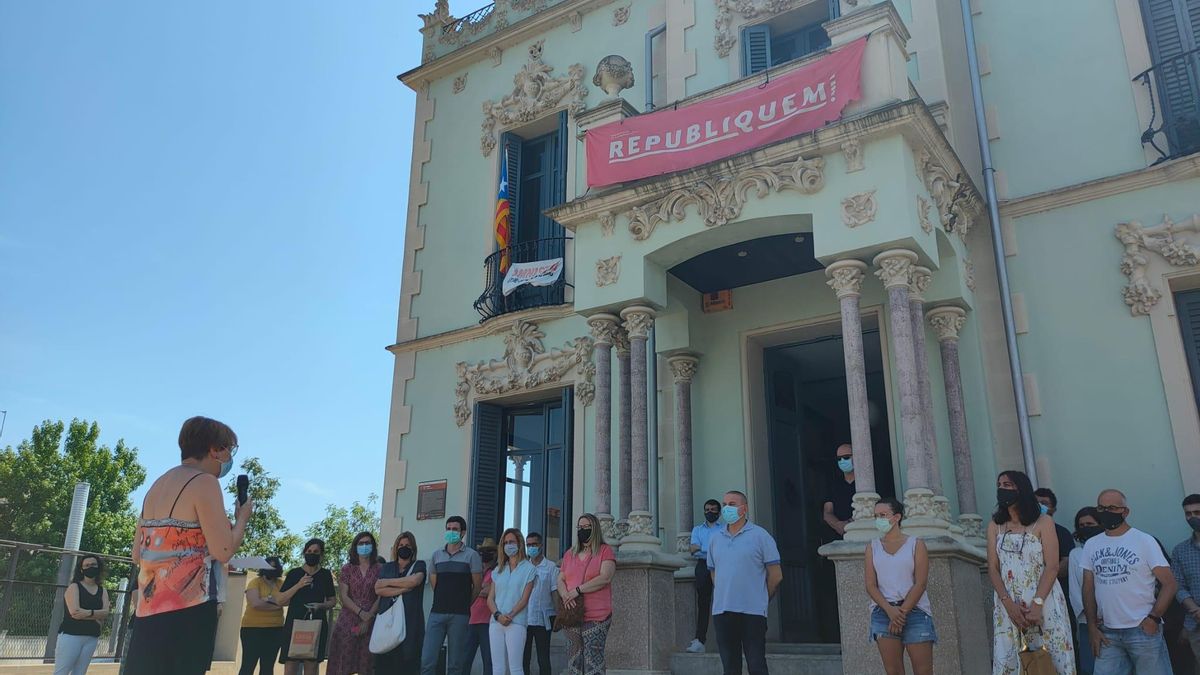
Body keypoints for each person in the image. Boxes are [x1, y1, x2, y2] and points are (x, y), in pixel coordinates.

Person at [125, 416, 253, 675]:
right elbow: (223, 551)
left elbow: (137, 554)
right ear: (214, 449)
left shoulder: (157, 484)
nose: (229, 457)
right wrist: (242, 520)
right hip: (187, 610)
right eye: (229, 449)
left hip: (149, 611)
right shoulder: (205, 482)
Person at [987, 470, 1075, 674]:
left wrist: (1037, 604)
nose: (1002, 489)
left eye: (1007, 485)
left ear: (1021, 489)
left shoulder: (1043, 522)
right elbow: (992, 567)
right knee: (1010, 659)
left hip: (1044, 601)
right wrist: (1008, 604)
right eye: (999, 485)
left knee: (1052, 659)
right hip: (1008, 603)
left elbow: (1052, 565)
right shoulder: (995, 526)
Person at [1083, 489, 1176, 674]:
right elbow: (1088, 587)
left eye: (1111, 507)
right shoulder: (1092, 544)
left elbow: (1170, 584)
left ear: (1125, 512)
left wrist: (1154, 618)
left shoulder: (1144, 541)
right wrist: (1092, 626)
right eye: (1101, 507)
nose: (1105, 512)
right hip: (1107, 632)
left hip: (1142, 629)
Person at [707, 490, 782, 675]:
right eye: (724, 504)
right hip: (723, 611)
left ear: (744, 509)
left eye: (732, 504)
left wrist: (763, 597)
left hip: (752, 612)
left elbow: (776, 575)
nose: (726, 508)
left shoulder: (760, 536)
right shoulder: (715, 539)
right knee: (730, 667)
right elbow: (713, 572)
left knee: (756, 664)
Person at [864, 498, 934, 675]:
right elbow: (871, 585)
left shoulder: (916, 544)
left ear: (896, 517)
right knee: (893, 670)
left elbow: (920, 582)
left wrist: (901, 613)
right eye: (876, 516)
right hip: (883, 613)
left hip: (915, 612)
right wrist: (890, 611)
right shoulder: (872, 547)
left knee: (923, 670)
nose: (878, 519)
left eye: (883, 515)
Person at [421, 516, 483, 675]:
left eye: (454, 529)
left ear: (462, 532)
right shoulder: (436, 556)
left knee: (456, 664)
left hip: (460, 615)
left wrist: (464, 603)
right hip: (437, 613)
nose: (451, 532)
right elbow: (435, 584)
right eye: (448, 528)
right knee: (427, 660)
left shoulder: (472, 555)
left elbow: (477, 586)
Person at [557, 513, 617, 675]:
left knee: (593, 658)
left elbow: (605, 577)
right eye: (580, 527)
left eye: (586, 527)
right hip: (572, 613)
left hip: (597, 615)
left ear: (594, 529)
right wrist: (565, 595)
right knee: (573, 658)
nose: (582, 530)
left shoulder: (605, 551)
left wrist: (577, 591)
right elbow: (560, 578)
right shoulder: (570, 554)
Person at [280, 539, 337, 674]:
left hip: (316, 623)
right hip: (294, 623)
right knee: (290, 665)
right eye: (309, 551)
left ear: (321, 555)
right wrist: (298, 585)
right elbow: (280, 599)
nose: (312, 554)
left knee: (311, 665)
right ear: (304, 553)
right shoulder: (294, 573)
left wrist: (320, 606)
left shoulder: (325, 575)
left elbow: (333, 601)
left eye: (316, 552)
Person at [328, 532, 382, 675]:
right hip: (349, 620)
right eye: (361, 543)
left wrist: (368, 617)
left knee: (366, 663)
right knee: (344, 663)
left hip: (371, 621)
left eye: (367, 543)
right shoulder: (347, 568)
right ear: (355, 546)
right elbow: (343, 596)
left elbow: (381, 596)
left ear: (373, 546)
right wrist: (360, 613)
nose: (364, 546)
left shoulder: (380, 569)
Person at [374, 532, 426, 675]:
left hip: (410, 625)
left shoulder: (419, 565)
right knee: (384, 666)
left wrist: (387, 583)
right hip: (387, 624)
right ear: (396, 548)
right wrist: (404, 588)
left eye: (408, 545)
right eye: (401, 545)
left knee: (407, 666)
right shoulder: (387, 568)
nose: (404, 548)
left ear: (413, 548)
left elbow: (415, 581)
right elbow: (378, 589)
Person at [488, 528, 537, 675]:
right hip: (495, 622)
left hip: (516, 622)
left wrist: (509, 615)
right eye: (505, 543)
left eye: (512, 542)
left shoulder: (529, 569)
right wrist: (498, 615)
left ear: (519, 544)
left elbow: (524, 599)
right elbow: (490, 598)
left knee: (516, 668)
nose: (509, 545)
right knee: (497, 668)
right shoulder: (498, 570)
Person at [239, 556, 299, 675]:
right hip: (252, 629)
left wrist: (267, 600)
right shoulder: (255, 582)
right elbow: (255, 603)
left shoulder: (281, 584)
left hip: (275, 630)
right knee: (248, 665)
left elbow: (287, 601)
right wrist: (277, 604)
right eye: (268, 566)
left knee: (267, 667)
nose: (270, 569)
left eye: (273, 566)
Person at [55, 554, 110, 675]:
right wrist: (96, 615)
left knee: (80, 672)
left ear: (99, 567)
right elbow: (75, 613)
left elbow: (106, 613)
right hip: (71, 635)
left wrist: (87, 612)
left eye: (93, 565)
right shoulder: (74, 587)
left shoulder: (102, 590)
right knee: (62, 671)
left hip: (92, 637)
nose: (90, 567)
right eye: (87, 565)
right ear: (81, 569)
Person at [686, 499, 723, 653]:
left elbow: (724, 549)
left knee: (724, 602)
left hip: (722, 565)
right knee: (703, 603)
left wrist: (703, 547)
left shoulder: (725, 529)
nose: (709, 512)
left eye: (713, 509)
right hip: (703, 566)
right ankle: (700, 640)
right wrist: (713, 548)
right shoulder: (697, 530)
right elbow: (693, 549)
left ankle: (729, 639)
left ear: (719, 513)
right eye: (707, 509)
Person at [1070, 508, 1103, 675]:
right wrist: (1090, 616)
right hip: (1087, 622)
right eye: (1081, 525)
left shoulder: (1109, 550)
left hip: (1114, 620)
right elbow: (1075, 590)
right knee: (1089, 667)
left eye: (1090, 524)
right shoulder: (1076, 554)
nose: (1085, 527)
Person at [521, 532, 557, 675]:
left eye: (534, 544)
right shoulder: (523, 567)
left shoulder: (550, 567)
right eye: (528, 545)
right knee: (524, 658)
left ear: (541, 545)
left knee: (543, 658)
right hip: (524, 619)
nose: (531, 548)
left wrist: (559, 614)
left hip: (543, 619)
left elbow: (554, 591)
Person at [1174, 494, 1200, 669]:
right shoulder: (1180, 551)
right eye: (1188, 514)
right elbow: (1177, 585)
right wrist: (1195, 610)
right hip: (1196, 622)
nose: (1193, 517)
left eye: (1197, 512)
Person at [465, 538, 498, 675]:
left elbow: (493, 592)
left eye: (489, 551)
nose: (485, 554)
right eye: (483, 551)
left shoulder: (497, 572)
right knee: (465, 660)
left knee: (488, 661)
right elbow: (468, 590)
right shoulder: (474, 572)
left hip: (488, 622)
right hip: (471, 621)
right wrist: (482, 588)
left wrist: (478, 588)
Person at [1036, 489, 1077, 598]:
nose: (1039, 506)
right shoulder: (1024, 532)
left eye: (1044, 503)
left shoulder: (1062, 532)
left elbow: (1067, 563)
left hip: (1057, 591)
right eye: (1036, 502)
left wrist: (1044, 578)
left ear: (1053, 509)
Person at [822, 444, 856, 539]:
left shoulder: (867, 483)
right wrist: (838, 525)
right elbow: (827, 512)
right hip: (838, 539)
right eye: (839, 459)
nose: (842, 461)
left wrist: (848, 524)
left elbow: (872, 508)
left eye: (846, 457)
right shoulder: (834, 484)